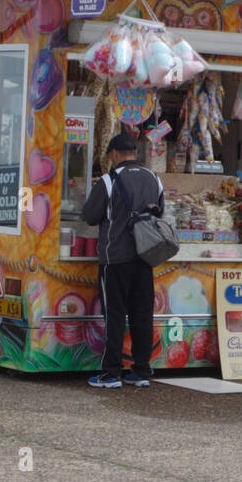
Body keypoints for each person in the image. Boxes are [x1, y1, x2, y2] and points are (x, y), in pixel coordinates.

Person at [83, 132, 164, 390]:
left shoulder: (108, 181)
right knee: (142, 315)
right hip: (145, 256)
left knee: (115, 315)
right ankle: (141, 371)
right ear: (135, 153)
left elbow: (90, 215)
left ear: (115, 154)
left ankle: (111, 373)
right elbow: (160, 212)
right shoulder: (154, 179)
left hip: (115, 258)